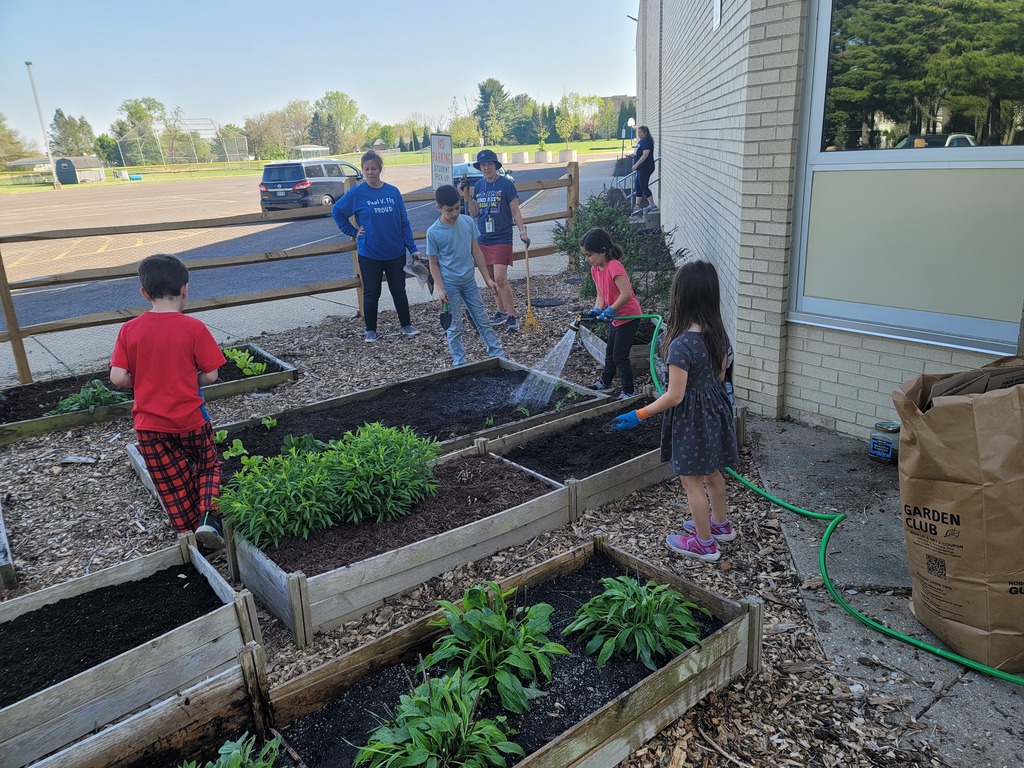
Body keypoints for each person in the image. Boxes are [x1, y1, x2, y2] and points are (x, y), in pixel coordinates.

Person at [611, 260, 738, 562]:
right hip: (715, 414)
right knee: (713, 472)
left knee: (691, 481)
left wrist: (640, 414)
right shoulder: (719, 333)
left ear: (681, 297)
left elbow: (675, 395)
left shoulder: (681, 345)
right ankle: (720, 525)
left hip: (692, 421)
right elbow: (720, 378)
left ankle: (704, 543)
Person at [109, 254, 226, 551]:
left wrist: (148, 380)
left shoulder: (129, 330)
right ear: (185, 289)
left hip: (150, 426)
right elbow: (211, 375)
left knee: (170, 482)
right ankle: (209, 519)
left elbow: (118, 377)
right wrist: (186, 380)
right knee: (207, 465)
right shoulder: (194, 328)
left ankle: (187, 534)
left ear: (144, 294)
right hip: (191, 419)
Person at [332, 150, 421, 343]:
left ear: (380, 169)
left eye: (374, 168)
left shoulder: (393, 192)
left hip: (395, 251)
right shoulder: (357, 193)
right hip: (370, 253)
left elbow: (404, 222)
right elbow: (337, 211)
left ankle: (406, 325)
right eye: (366, 169)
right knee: (372, 292)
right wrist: (353, 231)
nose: (370, 172)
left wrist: (412, 248)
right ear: (362, 171)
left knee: (399, 290)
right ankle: (370, 330)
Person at [426, 185, 505, 367]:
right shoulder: (433, 232)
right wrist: (440, 289)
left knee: (482, 318)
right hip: (450, 284)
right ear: (438, 208)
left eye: (457, 208)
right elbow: (433, 263)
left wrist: (487, 279)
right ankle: (459, 362)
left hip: (469, 280)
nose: (454, 213)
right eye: (449, 210)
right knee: (454, 326)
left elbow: (476, 252)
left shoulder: (468, 221)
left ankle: (497, 354)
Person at [468, 148, 528, 332]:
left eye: (490, 164)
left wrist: (522, 231)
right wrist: (465, 195)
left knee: (501, 278)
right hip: (483, 238)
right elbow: (474, 213)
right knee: (492, 279)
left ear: (496, 166)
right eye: (483, 165)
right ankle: (500, 311)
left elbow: (515, 210)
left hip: (502, 237)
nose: (486, 168)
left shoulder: (506, 184)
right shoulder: (478, 186)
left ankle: (511, 315)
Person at [579, 228, 643, 401]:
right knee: (609, 352)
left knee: (619, 356)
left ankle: (629, 391)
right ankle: (604, 382)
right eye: (585, 255)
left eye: (589, 254)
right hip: (615, 318)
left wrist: (611, 309)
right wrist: (597, 310)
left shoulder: (614, 267)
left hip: (628, 317)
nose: (587, 259)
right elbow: (601, 295)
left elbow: (626, 294)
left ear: (603, 251)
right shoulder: (596, 269)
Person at [630, 125, 657, 216]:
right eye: (638, 133)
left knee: (643, 185)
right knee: (638, 186)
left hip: (646, 167)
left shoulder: (647, 141)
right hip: (640, 168)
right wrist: (631, 155)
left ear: (645, 133)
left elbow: (645, 155)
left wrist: (636, 165)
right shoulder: (641, 141)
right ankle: (637, 206)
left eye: (641, 132)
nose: (639, 134)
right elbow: (638, 152)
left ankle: (652, 204)